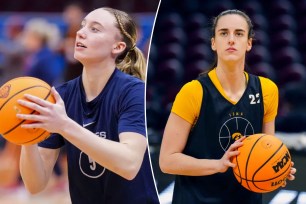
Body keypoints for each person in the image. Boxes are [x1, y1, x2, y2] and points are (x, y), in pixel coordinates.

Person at [17, 7, 159, 204]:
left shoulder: (133, 91)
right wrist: (27, 136)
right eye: (83, 26)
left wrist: (64, 125)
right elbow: (35, 185)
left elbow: (129, 164)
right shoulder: (61, 96)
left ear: (117, 47)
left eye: (95, 29)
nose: (80, 32)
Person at [159, 9, 296, 204]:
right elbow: (167, 161)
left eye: (239, 33)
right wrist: (218, 165)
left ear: (249, 43)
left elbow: (267, 147)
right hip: (196, 199)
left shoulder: (267, 90)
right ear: (213, 43)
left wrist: (276, 168)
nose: (231, 39)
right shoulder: (193, 91)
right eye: (223, 33)